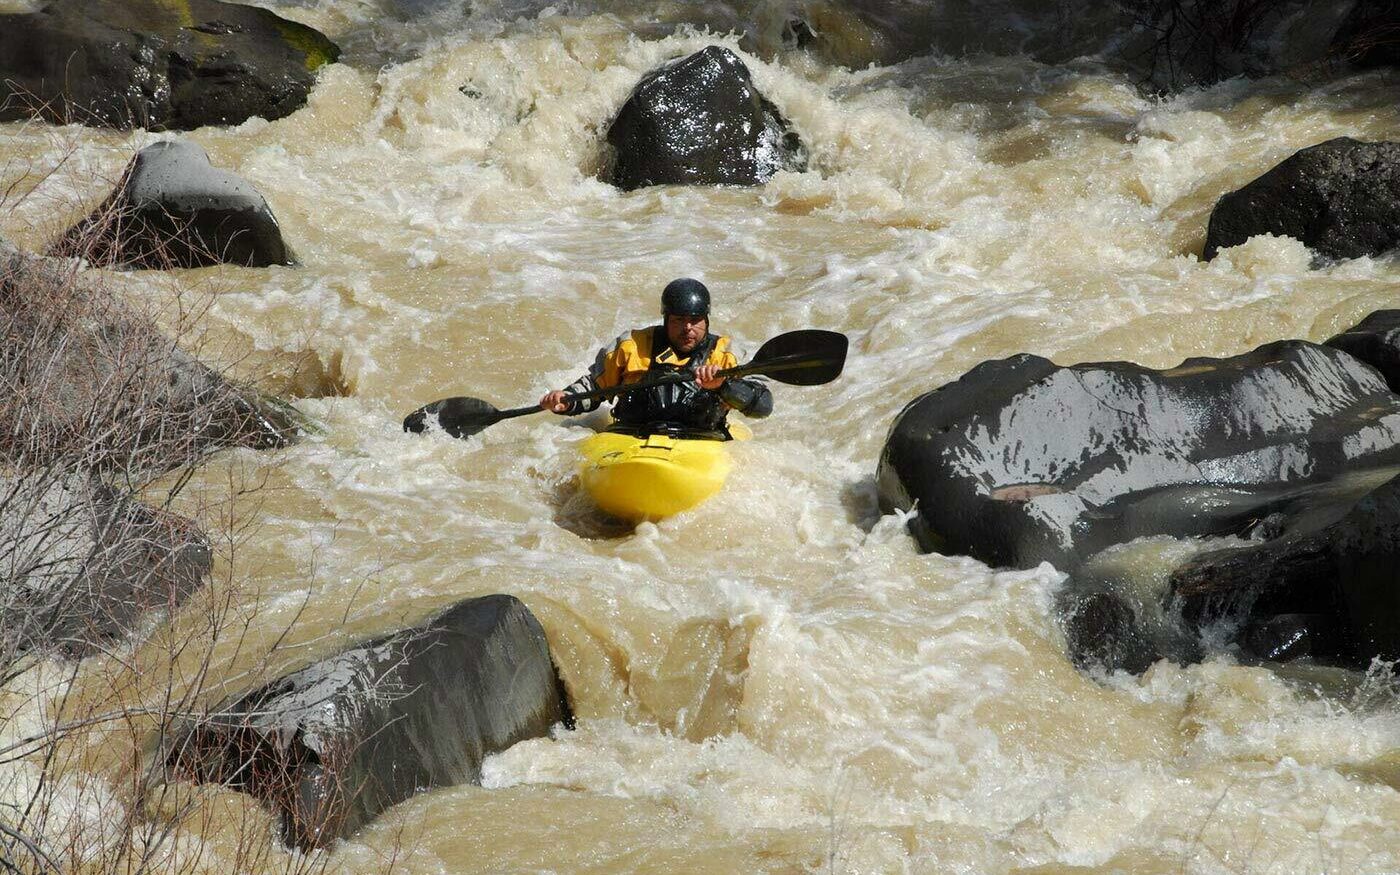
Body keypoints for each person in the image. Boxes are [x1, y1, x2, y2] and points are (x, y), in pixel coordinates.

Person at [538, 278, 772, 437]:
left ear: (706, 320)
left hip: (701, 438)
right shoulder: (631, 345)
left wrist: (724, 386)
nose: (687, 328)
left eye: (695, 320)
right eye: (679, 320)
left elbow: (763, 405)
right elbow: (594, 387)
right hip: (631, 436)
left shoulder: (726, 353)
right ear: (666, 319)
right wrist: (566, 400)